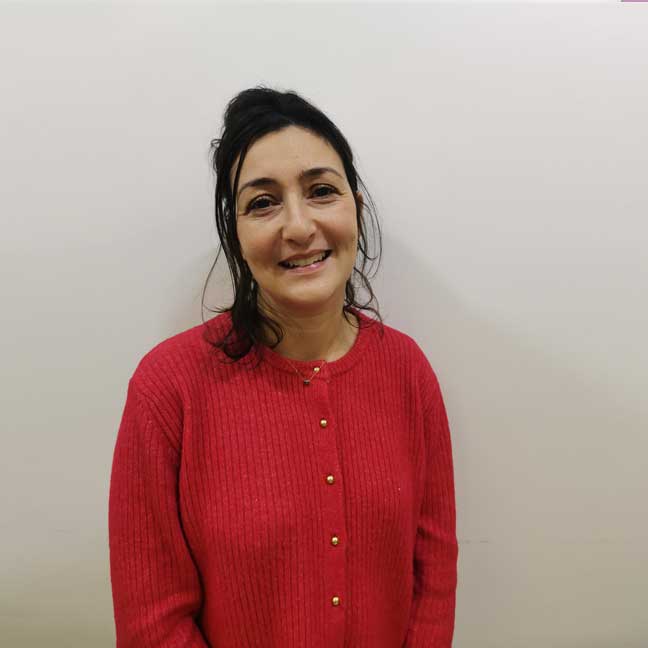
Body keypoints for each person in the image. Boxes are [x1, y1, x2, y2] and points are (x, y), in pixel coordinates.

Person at [108, 86, 458, 647]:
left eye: (321, 191)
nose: (298, 227)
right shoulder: (168, 389)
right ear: (236, 232)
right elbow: (153, 622)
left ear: (355, 209)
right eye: (263, 203)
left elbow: (433, 573)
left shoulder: (408, 372)